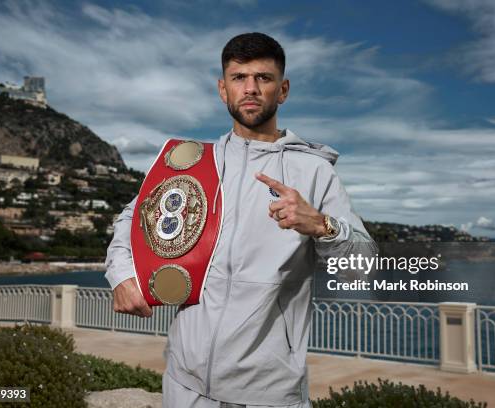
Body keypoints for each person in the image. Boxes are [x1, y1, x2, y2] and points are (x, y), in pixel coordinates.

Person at [105, 32, 378, 408]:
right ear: (223, 89)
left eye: (263, 78)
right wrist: (121, 274)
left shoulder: (314, 172)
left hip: (269, 395)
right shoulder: (193, 161)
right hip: (184, 385)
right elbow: (131, 219)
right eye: (239, 78)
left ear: (282, 91)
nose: (250, 88)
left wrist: (322, 226)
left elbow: (362, 268)